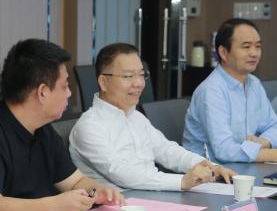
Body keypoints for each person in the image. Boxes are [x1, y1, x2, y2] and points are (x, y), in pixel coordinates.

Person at [0, 38, 123, 211]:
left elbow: (75, 182)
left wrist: (97, 191)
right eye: (64, 86)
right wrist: (55, 206)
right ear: (42, 92)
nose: (69, 93)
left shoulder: (43, 130)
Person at [70, 43, 236, 191]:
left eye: (141, 75)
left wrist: (208, 167)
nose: (139, 83)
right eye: (128, 76)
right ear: (103, 82)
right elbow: (122, 173)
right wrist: (182, 181)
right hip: (118, 207)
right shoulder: (89, 126)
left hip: (153, 199)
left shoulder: (136, 117)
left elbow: (167, 150)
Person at [183, 18, 277, 164]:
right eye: (246, 47)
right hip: (209, 171)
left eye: (258, 46)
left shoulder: (254, 83)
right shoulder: (211, 90)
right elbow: (224, 150)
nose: (254, 53)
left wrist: (265, 141)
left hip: (243, 166)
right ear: (223, 53)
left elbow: (274, 127)